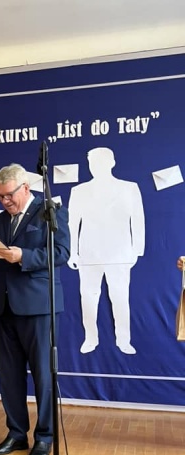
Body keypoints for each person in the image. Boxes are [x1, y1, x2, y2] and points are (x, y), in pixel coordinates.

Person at [0, 163, 70, 455]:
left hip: (39, 308)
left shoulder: (49, 213)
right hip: (5, 307)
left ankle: (45, 437)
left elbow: (62, 253)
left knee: (43, 376)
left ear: (26, 188)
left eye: (8, 195)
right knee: (10, 377)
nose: (4, 201)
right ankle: (16, 434)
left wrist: (24, 256)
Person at [68, 147, 145, 354]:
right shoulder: (79, 191)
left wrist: (136, 250)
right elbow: (72, 224)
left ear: (112, 163)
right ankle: (90, 338)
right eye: (93, 163)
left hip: (119, 254)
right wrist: (72, 252)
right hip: (89, 254)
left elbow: (138, 220)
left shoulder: (129, 188)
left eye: (100, 162)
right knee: (88, 298)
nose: (96, 167)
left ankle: (123, 340)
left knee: (120, 298)